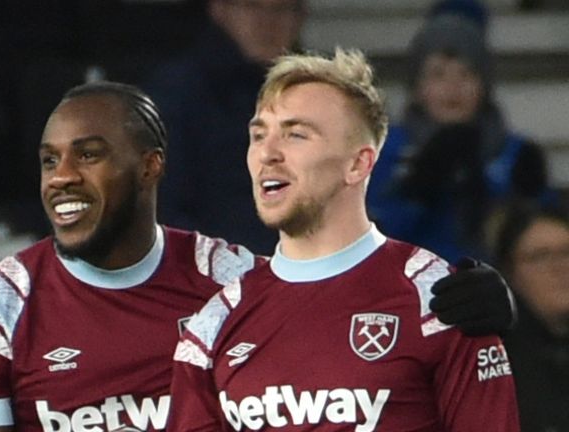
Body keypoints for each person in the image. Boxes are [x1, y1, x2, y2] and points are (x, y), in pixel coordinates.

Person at [0, 81, 514, 431]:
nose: (63, 178)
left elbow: (335, 296)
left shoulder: (230, 283)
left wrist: (484, 301)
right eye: (50, 161)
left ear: (151, 166)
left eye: (89, 155)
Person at [168, 49, 519, 430]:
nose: (267, 153)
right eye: (258, 135)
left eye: (296, 134)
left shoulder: (441, 300)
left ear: (358, 164)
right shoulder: (214, 322)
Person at [367, 0, 552, 262]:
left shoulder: (517, 153)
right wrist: (417, 190)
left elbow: (538, 241)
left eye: (466, 74)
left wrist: (522, 201)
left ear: (484, 85)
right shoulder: (384, 150)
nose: (453, 87)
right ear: (417, 88)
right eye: (438, 74)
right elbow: (369, 239)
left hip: (494, 290)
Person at [144, 0, 306, 255]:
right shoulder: (180, 93)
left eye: (282, 9)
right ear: (219, 9)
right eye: (253, 7)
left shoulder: (316, 96)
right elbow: (163, 206)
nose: (267, 23)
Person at [491, 202, 569, 432]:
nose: (559, 267)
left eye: (567, 253)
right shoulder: (494, 361)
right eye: (540, 256)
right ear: (510, 273)